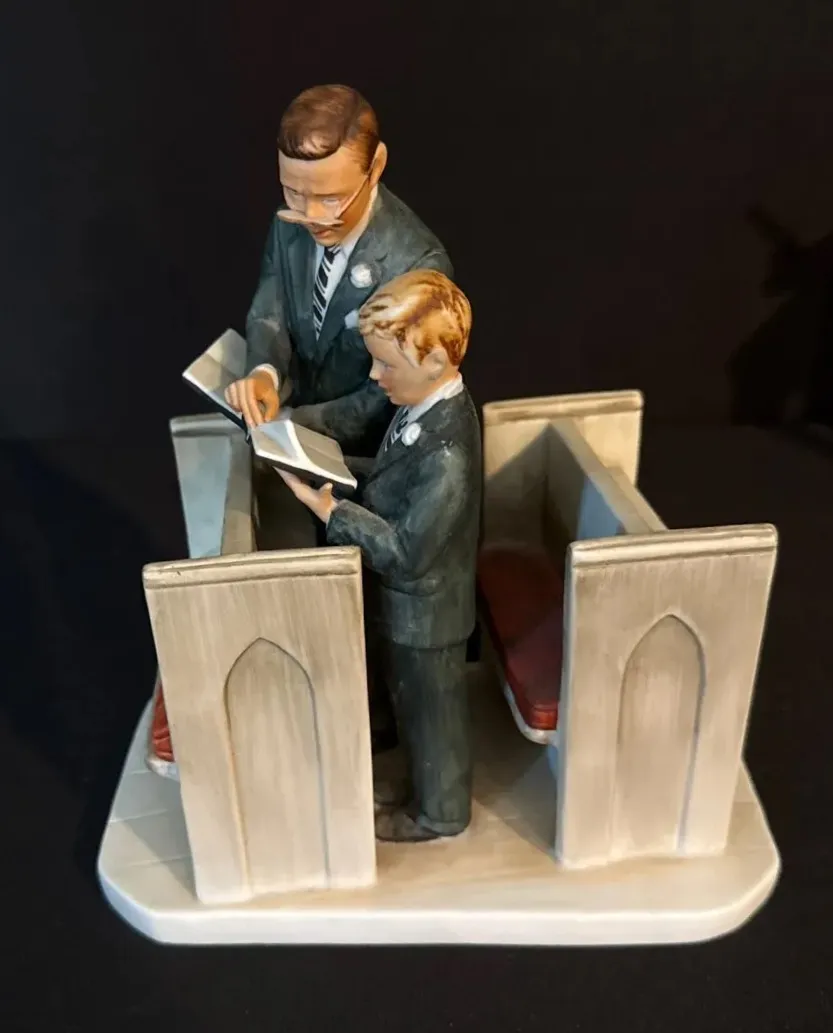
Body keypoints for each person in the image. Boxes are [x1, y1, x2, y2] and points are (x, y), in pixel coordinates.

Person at [281, 269, 481, 843]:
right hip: (408, 612)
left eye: (385, 364)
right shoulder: (422, 409)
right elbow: (396, 478)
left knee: (433, 716)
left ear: (435, 363)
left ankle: (440, 812)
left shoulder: (447, 453)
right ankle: (422, 788)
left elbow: (405, 551)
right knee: (412, 707)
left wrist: (332, 511)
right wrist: (337, 469)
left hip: (427, 614)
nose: (374, 375)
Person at [224, 83, 453, 458]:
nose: (310, 217)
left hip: (364, 461)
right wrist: (264, 374)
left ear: (375, 167)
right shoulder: (288, 226)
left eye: (330, 198)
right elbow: (270, 312)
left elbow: (383, 397)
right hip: (288, 442)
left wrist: (291, 422)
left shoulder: (418, 266)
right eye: (293, 192)